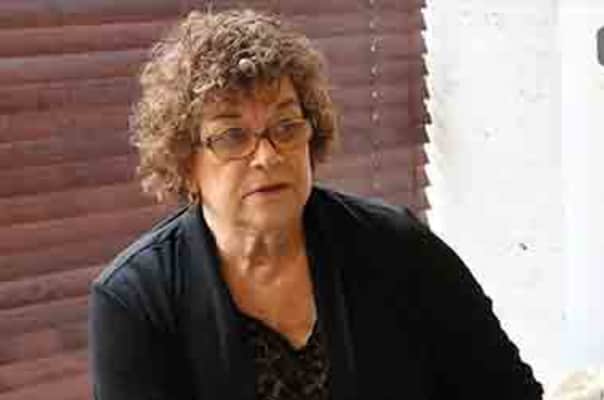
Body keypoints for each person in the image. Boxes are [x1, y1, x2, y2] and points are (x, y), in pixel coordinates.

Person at [89, 8, 544, 400]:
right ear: (185, 161)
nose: (267, 156)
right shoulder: (137, 300)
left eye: (286, 127)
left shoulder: (399, 250)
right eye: (232, 136)